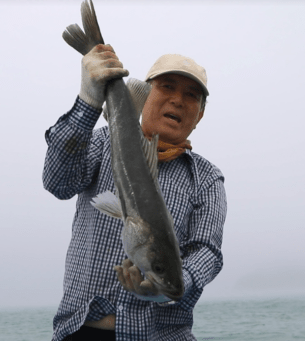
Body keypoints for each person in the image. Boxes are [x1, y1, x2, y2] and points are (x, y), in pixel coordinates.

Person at [43, 44, 227, 341]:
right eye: (167, 86)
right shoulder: (103, 142)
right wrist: (88, 100)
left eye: (191, 95)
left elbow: (207, 250)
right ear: (146, 94)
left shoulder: (205, 178)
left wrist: (170, 285)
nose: (178, 100)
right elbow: (57, 182)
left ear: (200, 115)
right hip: (78, 331)